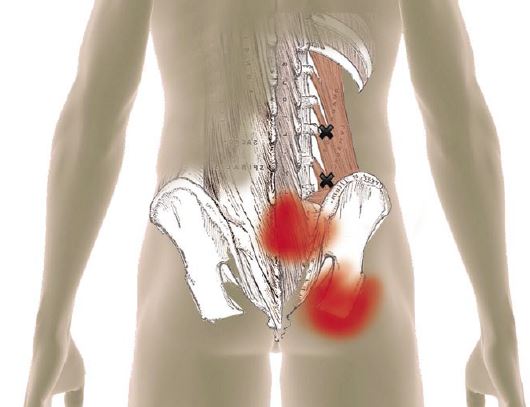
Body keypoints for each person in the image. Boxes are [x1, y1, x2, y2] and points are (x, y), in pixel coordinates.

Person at [24, 0, 526, 406]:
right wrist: (497, 327)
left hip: (197, 292)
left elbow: (95, 119)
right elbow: (457, 124)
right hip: (350, 294)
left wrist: (53, 327)